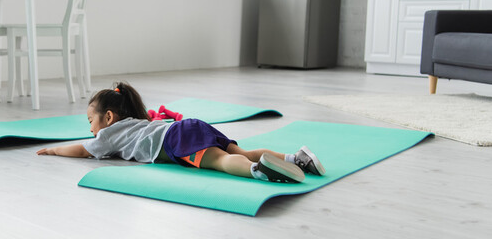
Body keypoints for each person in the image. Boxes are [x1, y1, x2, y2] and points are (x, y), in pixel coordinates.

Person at [36, 82, 325, 183]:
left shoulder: (108, 135)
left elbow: (82, 150)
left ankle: (257, 170)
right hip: (187, 127)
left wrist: (52, 150)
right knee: (239, 150)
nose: (90, 129)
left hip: (175, 140)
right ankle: (296, 158)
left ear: (108, 117)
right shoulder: (138, 121)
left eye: (90, 121)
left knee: (221, 162)